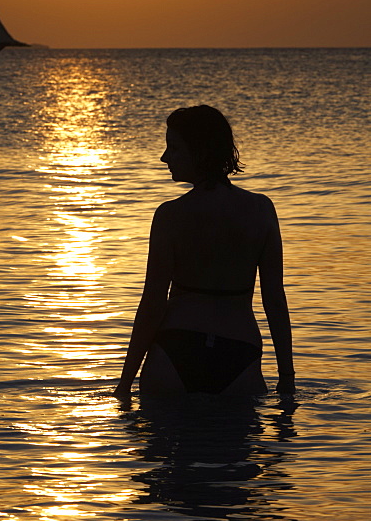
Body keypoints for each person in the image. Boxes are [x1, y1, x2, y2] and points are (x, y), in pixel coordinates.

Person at [114, 105, 294, 398]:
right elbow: (274, 299)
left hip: (174, 352)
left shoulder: (170, 216)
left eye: (173, 147)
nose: (164, 157)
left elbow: (153, 303)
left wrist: (124, 384)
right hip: (239, 355)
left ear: (199, 152)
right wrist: (287, 376)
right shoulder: (261, 210)